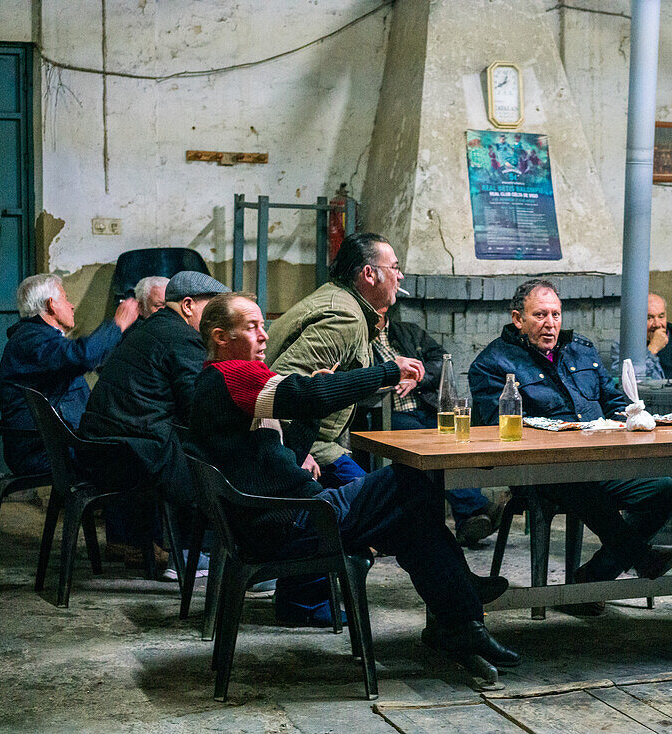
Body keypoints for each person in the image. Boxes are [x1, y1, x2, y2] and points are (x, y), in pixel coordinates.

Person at [187, 292, 519, 667]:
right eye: (252, 327)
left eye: (264, 325)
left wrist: (311, 410)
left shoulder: (219, 384)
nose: (264, 335)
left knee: (411, 519)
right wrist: (388, 371)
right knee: (415, 477)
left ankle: (462, 623)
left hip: (284, 517)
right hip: (294, 520)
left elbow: (285, 451)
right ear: (220, 337)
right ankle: (462, 606)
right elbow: (307, 394)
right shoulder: (233, 374)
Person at [469, 278, 672, 615]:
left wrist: (637, 417)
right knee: (573, 478)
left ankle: (590, 580)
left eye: (555, 314)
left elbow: (614, 402)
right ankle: (640, 555)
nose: (550, 323)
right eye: (539, 315)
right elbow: (491, 427)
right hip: (539, 472)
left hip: (599, 462)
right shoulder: (493, 363)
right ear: (517, 319)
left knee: (664, 490)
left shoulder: (581, 349)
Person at [80, 271, 230, 576]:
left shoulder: (147, 329)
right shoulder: (184, 338)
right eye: (212, 309)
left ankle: (186, 548)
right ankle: (189, 553)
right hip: (128, 457)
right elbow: (196, 408)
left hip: (101, 449)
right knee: (221, 455)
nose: (218, 319)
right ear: (188, 305)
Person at [265, 232, 403, 489]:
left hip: (312, 443)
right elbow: (284, 388)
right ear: (369, 274)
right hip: (305, 448)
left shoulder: (345, 302)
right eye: (394, 268)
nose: (400, 276)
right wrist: (295, 451)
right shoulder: (344, 317)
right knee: (387, 502)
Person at [371, 314, 506, 544]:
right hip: (390, 414)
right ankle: (476, 508)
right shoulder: (362, 341)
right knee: (428, 446)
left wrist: (418, 378)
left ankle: (468, 519)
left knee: (458, 438)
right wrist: (388, 379)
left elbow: (442, 361)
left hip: (428, 407)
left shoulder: (407, 332)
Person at [0, 273, 139, 476]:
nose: (71, 306)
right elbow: (82, 356)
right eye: (65, 298)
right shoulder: (32, 340)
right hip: (42, 452)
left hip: (51, 444)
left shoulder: (35, 337)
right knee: (139, 459)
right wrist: (118, 324)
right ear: (51, 305)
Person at [610, 293, 672, 381]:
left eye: (661, 316)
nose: (657, 324)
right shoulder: (622, 345)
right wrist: (652, 350)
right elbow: (629, 382)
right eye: (649, 318)